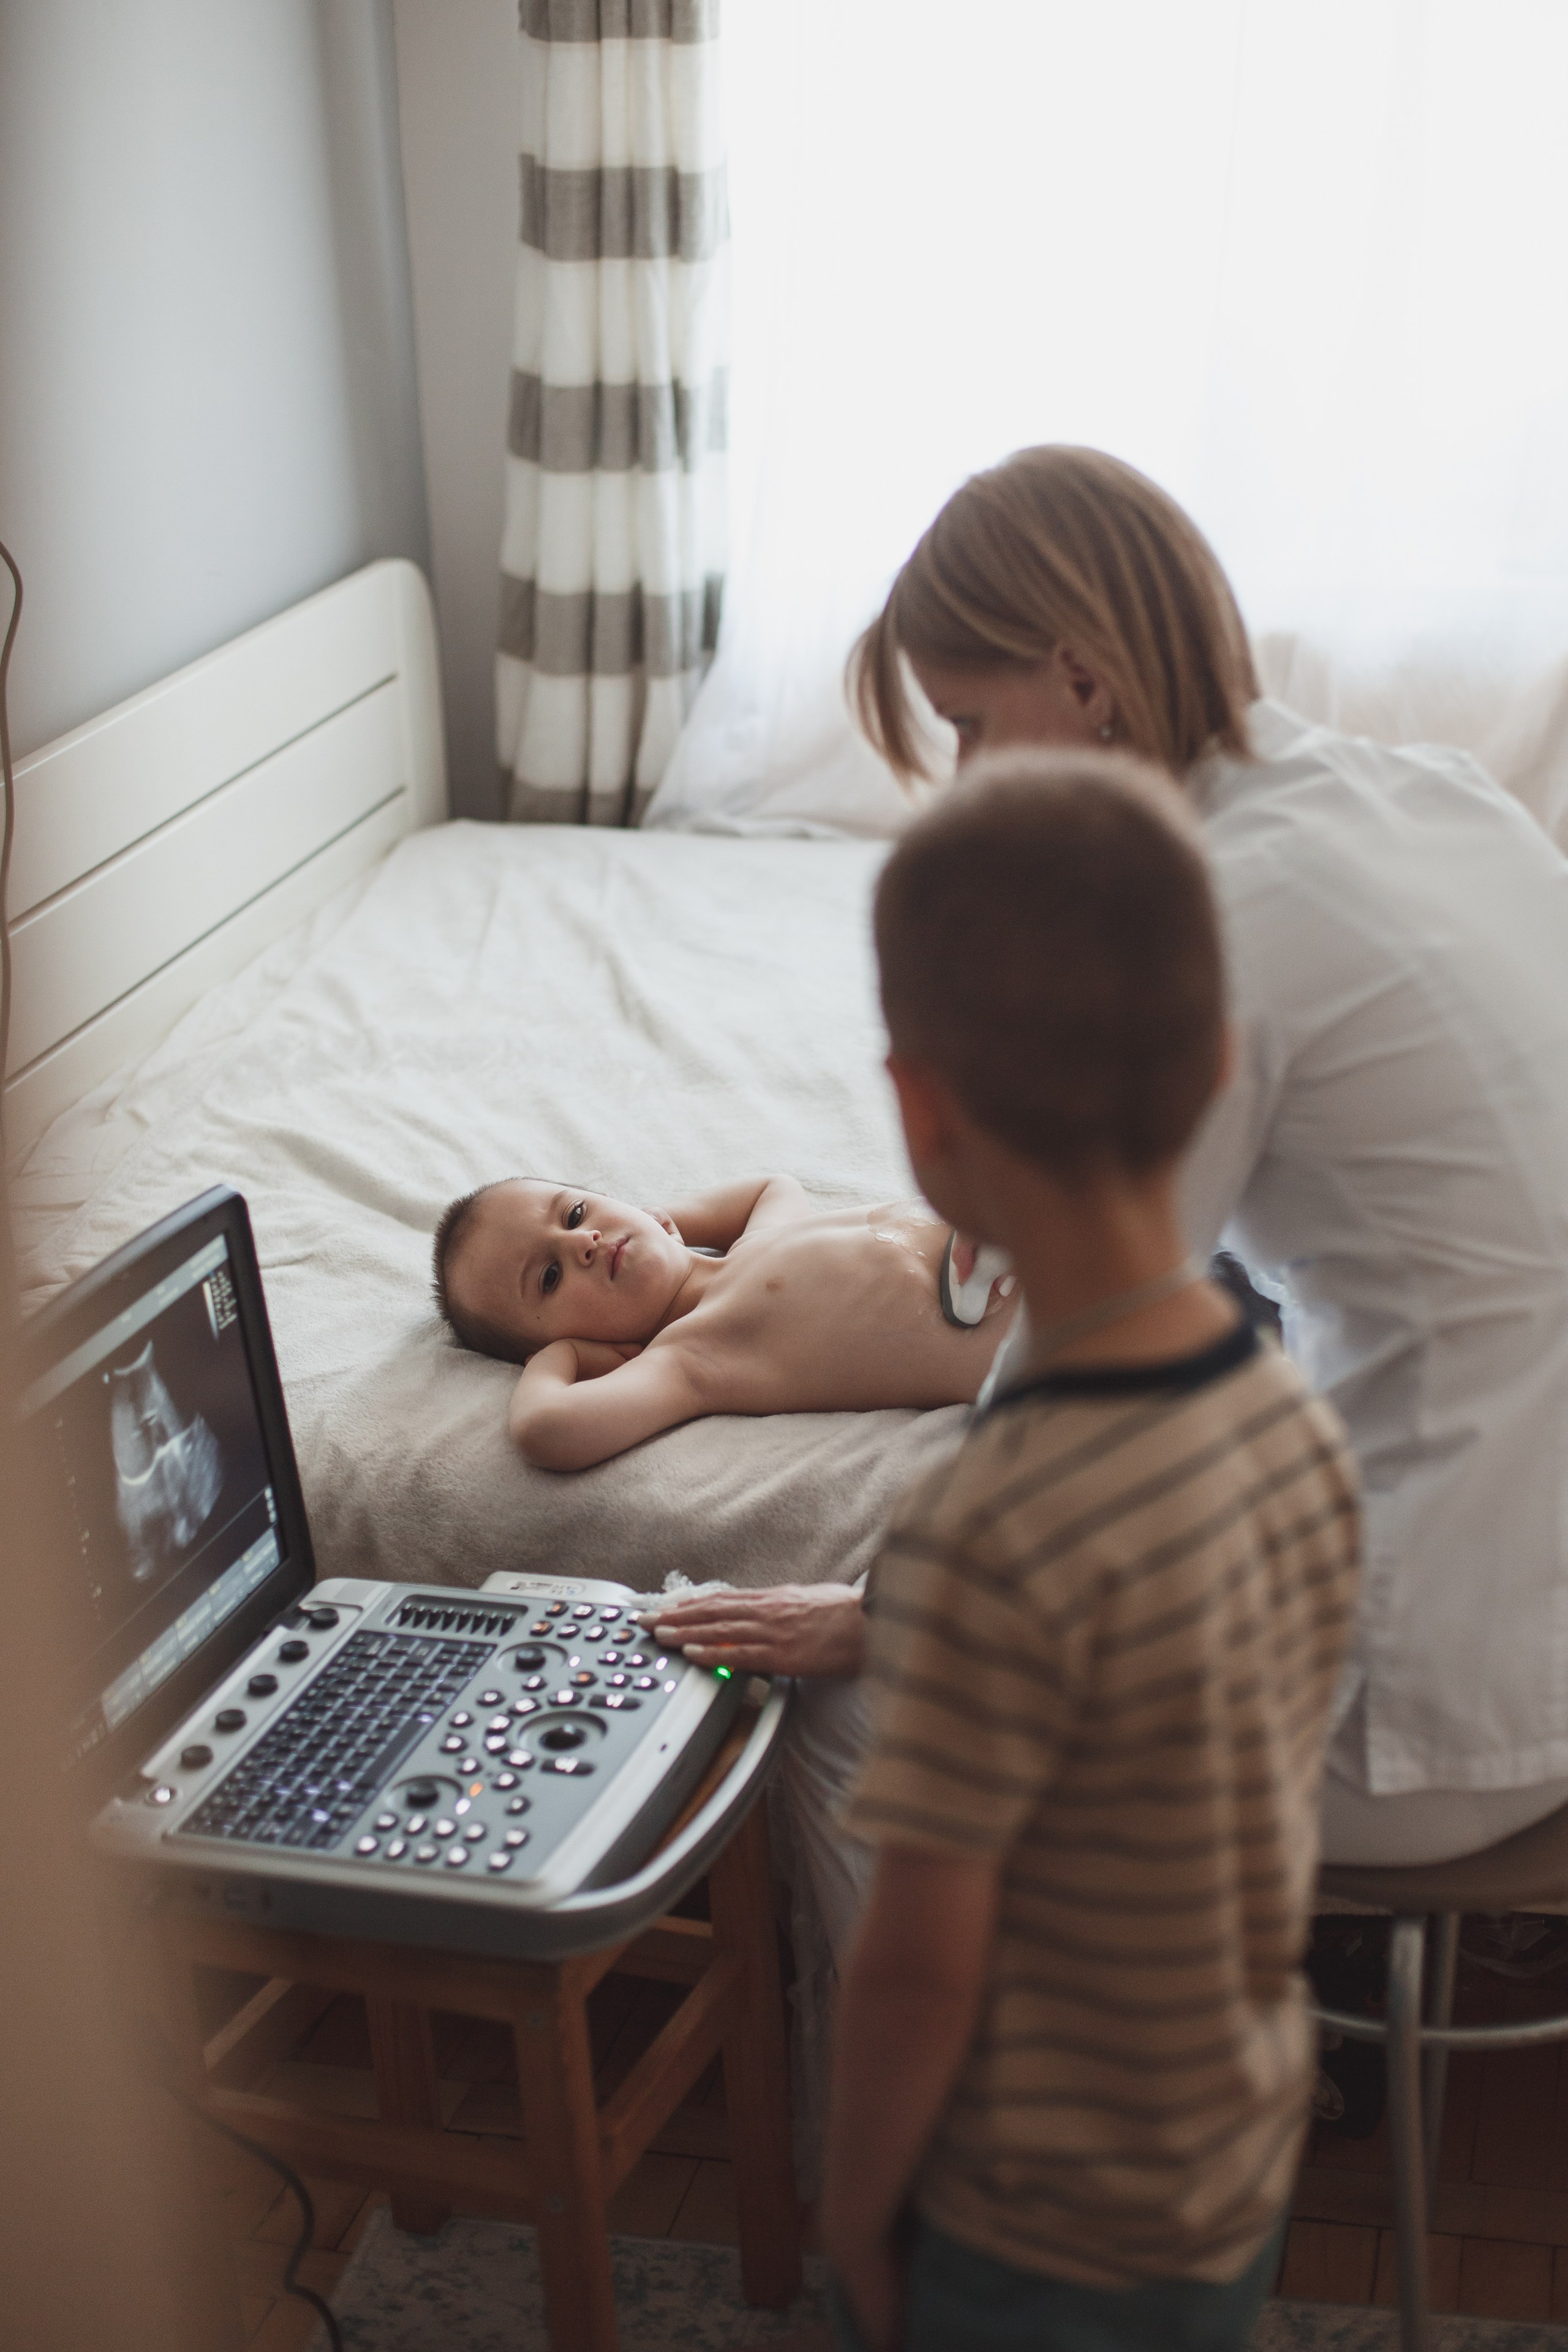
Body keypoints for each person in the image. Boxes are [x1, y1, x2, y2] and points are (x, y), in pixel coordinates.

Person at [651, 442, 1568, 1878]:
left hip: (1433, 1711)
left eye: (967, 722)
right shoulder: (1429, 795)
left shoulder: (1208, 919)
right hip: (1526, 1592)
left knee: (856, 1716)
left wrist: (882, 1609)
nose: (962, 777)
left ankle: (924, 2039)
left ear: (1082, 679)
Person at [816, 749, 1359, 2352]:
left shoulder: (984, 1527)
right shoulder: (1297, 1421)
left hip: (1033, 2227)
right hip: (1230, 2162)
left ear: (921, 1112)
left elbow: (917, 1967)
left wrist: (853, 2209)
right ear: (1219, 1067)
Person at [430, 1175, 1013, 1469]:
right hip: (1032, 1340)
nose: (584, 1241)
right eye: (550, 1277)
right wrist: (563, 1359)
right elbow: (545, 1429)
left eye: (575, 1212)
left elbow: (772, 1185)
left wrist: (670, 1221)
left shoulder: (758, 1241)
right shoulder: (693, 1357)